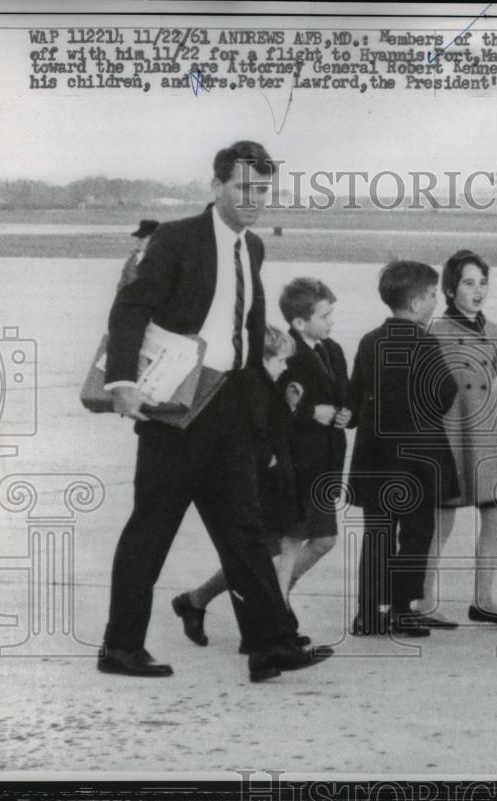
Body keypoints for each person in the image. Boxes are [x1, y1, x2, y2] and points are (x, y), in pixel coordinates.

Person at [99, 141, 332, 682]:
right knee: (151, 529)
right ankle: (120, 647)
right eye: (243, 187)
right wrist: (122, 381)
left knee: (245, 531)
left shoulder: (252, 249)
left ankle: (270, 645)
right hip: (176, 406)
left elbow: (248, 329)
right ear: (217, 186)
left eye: (262, 190)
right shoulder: (178, 240)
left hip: (230, 406)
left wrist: (267, 405)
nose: (253, 199)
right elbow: (130, 308)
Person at [170, 324, 313, 653]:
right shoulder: (248, 390)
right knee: (255, 556)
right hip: (251, 485)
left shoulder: (267, 389)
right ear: (262, 359)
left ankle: (204, 606)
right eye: (279, 361)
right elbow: (251, 437)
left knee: (258, 557)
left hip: (268, 483)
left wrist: (288, 406)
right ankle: (263, 633)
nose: (283, 367)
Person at [346, 260, 460, 637]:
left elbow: (356, 393)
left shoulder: (368, 341)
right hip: (417, 458)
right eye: (431, 295)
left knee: (377, 532)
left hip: (375, 456)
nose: (435, 301)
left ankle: (369, 611)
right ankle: (401, 606)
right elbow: (444, 392)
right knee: (415, 533)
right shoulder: (425, 342)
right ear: (414, 304)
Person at [413, 250, 497, 628]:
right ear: (450, 288)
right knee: (440, 521)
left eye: (482, 283)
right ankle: (424, 601)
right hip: (450, 439)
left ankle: (484, 599)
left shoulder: (495, 331)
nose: (478, 291)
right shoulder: (436, 332)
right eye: (468, 283)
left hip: (487, 435)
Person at [277, 278, 350, 599]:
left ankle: (273, 593)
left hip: (325, 463)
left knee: (323, 540)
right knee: (285, 545)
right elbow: (274, 403)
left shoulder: (332, 350)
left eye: (331, 313)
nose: (331, 321)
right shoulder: (285, 352)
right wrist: (310, 412)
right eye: (324, 316)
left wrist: (350, 413)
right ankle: (275, 604)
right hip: (296, 464)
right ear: (298, 322)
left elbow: (345, 396)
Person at [116, 219, 159, 292]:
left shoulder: (163, 261)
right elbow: (122, 285)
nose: (138, 241)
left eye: (142, 238)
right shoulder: (132, 259)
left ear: (153, 239)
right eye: (138, 238)